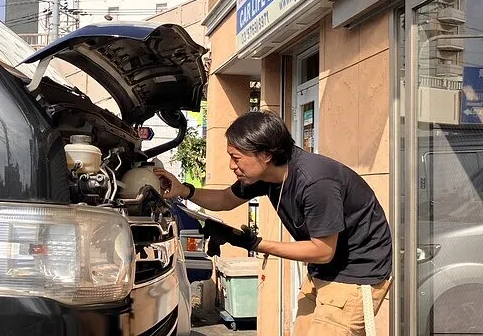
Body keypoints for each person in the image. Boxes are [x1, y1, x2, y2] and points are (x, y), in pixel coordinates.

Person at [155, 111, 392, 336]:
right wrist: (184, 190)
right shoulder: (267, 176)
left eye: (236, 158)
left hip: (356, 274)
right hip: (323, 272)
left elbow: (322, 251)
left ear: (266, 155)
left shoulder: (315, 183)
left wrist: (253, 243)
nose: (231, 165)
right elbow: (226, 199)